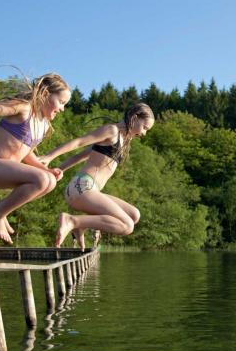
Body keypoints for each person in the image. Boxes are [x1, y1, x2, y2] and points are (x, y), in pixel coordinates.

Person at [0, 74, 70, 244]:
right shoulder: (24, 108)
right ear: (45, 93)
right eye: (61, 102)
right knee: (41, 179)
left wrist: (47, 169)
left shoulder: (43, 126)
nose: (62, 108)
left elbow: (26, 154)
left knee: (50, 181)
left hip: (2, 170)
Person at [39, 103, 154, 248]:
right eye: (145, 128)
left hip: (88, 190)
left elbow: (82, 156)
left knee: (134, 215)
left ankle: (81, 226)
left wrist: (60, 168)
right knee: (127, 226)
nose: (144, 133)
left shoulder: (122, 140)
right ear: (135, 118)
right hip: (82, 187)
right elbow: (79, 142)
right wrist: (50, 156)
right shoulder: (112, 131)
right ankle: (72, 221)